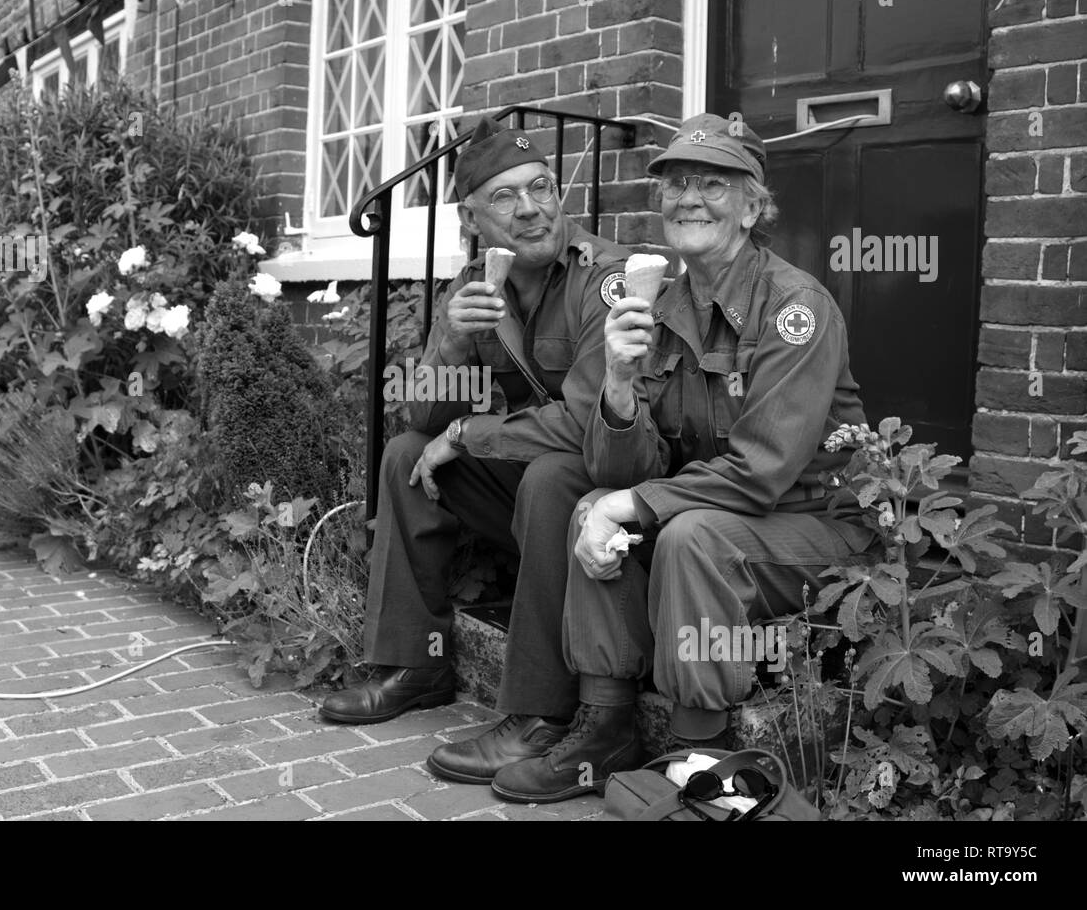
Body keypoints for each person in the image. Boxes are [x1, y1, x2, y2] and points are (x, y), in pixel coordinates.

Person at [490, 113, 878, 804]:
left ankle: (707, 746)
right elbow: (623, 472)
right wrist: (615, 383)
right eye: (674, 184)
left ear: (754, 206)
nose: (688, 198)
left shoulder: (796, 307)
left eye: (712, 184)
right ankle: (607, 721)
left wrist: (635, 503)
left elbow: (764, 469)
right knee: (591, 506)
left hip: (816, 525)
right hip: (730, 511)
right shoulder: (661, 304)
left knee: (690, 537)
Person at [319, 117, 662, 786]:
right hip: (534, 496)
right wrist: (451, 340)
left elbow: (590, 423)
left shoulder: (608, 280)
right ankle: (416, 662)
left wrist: (465, 436)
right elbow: (419, 412)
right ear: (472, 217)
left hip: (616, 498)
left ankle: (539, 713)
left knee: (552, 474)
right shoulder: (478, 283)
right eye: (505, 197)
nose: (531, 208)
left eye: (540, 187)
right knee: (403, 454)